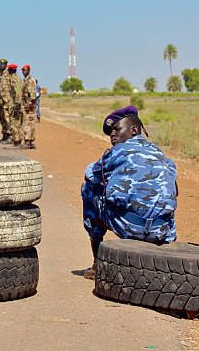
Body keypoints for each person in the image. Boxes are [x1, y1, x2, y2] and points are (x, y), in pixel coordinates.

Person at [82, 106, 178, 279]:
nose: (112, 134)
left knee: (89, 189)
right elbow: (174, 184)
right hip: (160, 229)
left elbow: (90, 174)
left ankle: (97, 264)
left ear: (134, 130)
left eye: (117, 129)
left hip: (129, 226)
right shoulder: (159, 152)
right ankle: (168, 247)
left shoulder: (115, 152)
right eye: (111, 131)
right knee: (166, 189)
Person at [20, 65, 37, 149]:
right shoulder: (25, 80)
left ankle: (28, 142)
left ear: (29, 70)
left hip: (29, 106)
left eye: (25, 70)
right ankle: (30, 142)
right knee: (30, 124)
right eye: (23, 71)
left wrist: (29, 104)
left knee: (28, 124)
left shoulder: (30, 80)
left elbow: (33, 95)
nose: (24, 72)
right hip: (26, 104)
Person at [0, 59, 11, 143]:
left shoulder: (9, 75)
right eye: (1, 64)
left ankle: (9, 136)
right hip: (0, 100)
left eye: (4, 64)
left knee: (7, 118)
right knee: (2, 118)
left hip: (7, 100)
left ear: (6, 65)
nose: (2, 66)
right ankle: (4, 135)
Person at [7, 64, 23, 148]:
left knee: (14, 123)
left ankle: (16, 142)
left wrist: (16, 104)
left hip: (16, 104)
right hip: (19, 103)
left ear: (10, 70)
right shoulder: (19, 78)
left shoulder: (13, 79)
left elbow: (18, 92)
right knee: (18, 123)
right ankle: (18, 141)